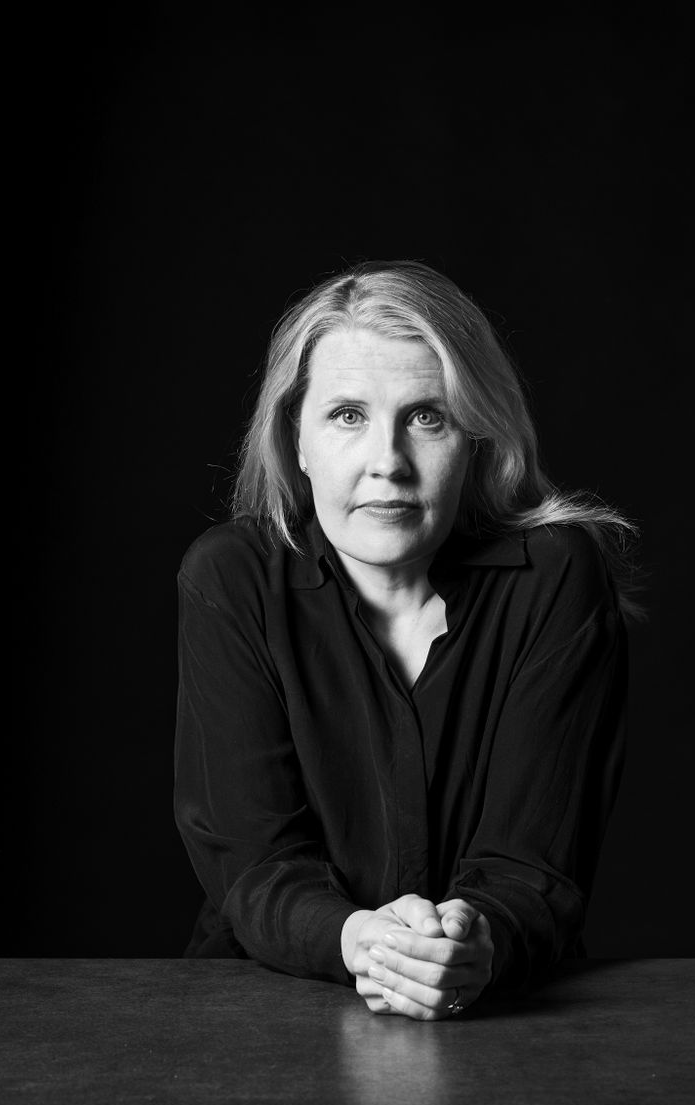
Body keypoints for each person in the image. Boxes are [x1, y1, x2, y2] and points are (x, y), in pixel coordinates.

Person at [174, 260, 638, 1021]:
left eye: (427, 417)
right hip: (266, 1006)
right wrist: (363, 941)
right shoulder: (231, 578)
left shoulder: (555, 577)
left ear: (476, 438)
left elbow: (533, 867)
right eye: (347, 416)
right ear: (296, 439)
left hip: (499, 1011)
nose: (386, 463)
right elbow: (253, 864)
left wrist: (472, 940)